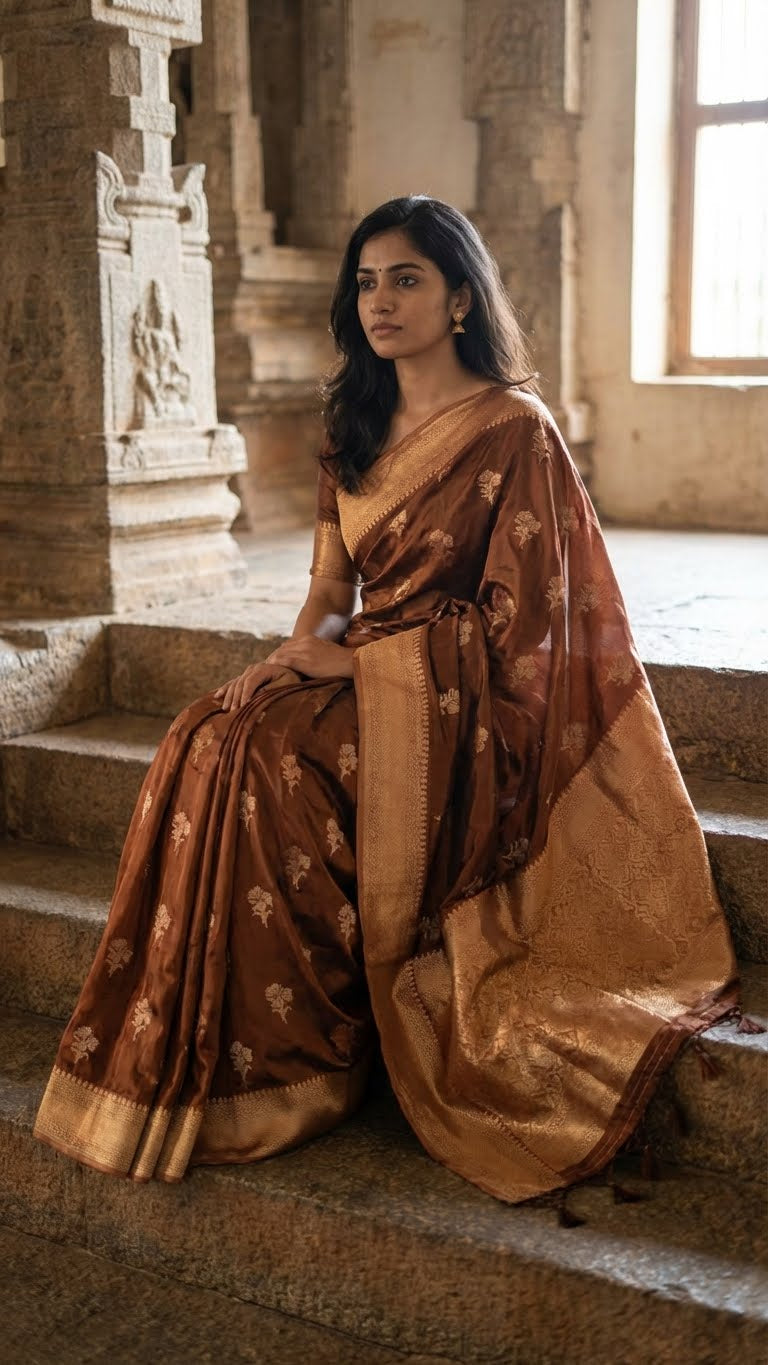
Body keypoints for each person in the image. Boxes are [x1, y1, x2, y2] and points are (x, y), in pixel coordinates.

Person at [34, 196, 738, 1204]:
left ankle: (306, 1069)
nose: (380, 300)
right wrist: (289, 662)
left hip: (464, 714)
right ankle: (232, 1066)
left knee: (274, 765)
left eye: (406, 279)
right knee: (211, 733)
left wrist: (365, 670)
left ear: (459, 297)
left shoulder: (514, 433)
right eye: (366, 281)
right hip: (379, 676)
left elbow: (531, 637)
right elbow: (328, 597)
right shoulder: (352, 420)